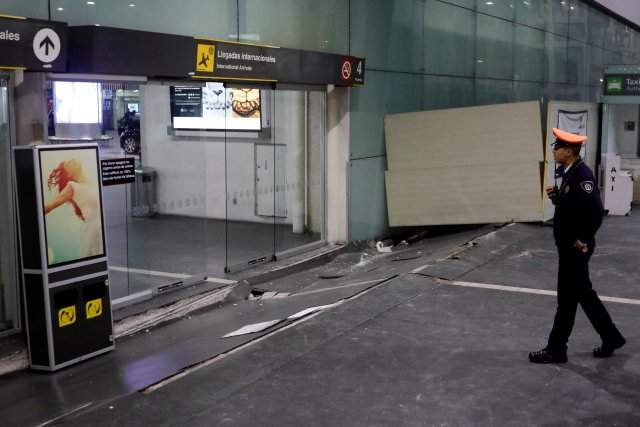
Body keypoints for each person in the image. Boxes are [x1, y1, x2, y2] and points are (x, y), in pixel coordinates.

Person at [529, 128, 626, 364]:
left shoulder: (582, 176)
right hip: (569, 247)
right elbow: (574, 207)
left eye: (557, 147)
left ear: (569, 151)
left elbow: (594, 214)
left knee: (567, 300)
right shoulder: (570, 172)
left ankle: (556, 348)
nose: (553, 151)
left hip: (575, 250)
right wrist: (557, 197)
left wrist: (582, 240)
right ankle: (611, 337)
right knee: (584, 295)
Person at [45, 159, 103, 259]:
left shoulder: (93, 183)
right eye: (69, 164)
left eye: (72, 160)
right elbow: (51, 204)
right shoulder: (73, 187)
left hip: (99, 231)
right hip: (94, 235)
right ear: (69, 175)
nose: (73, 160)